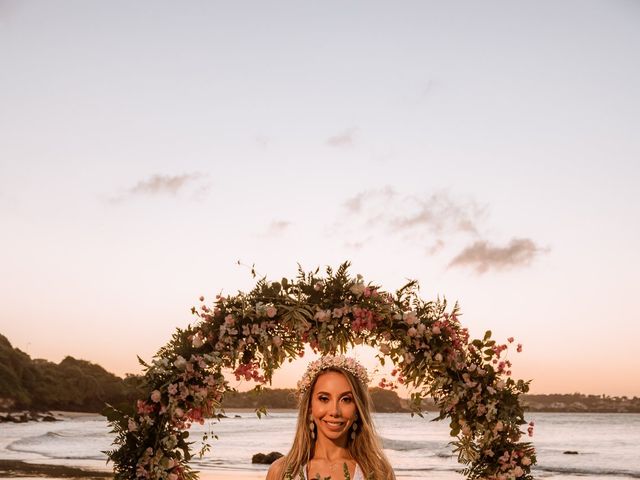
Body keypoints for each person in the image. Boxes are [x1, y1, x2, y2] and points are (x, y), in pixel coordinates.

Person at [266, 355, 395, 480]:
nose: (334, 411)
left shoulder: (379, 472)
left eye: (346, 399)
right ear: (310, 406)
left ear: (357, 409)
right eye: (324, 398)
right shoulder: (280, 471)